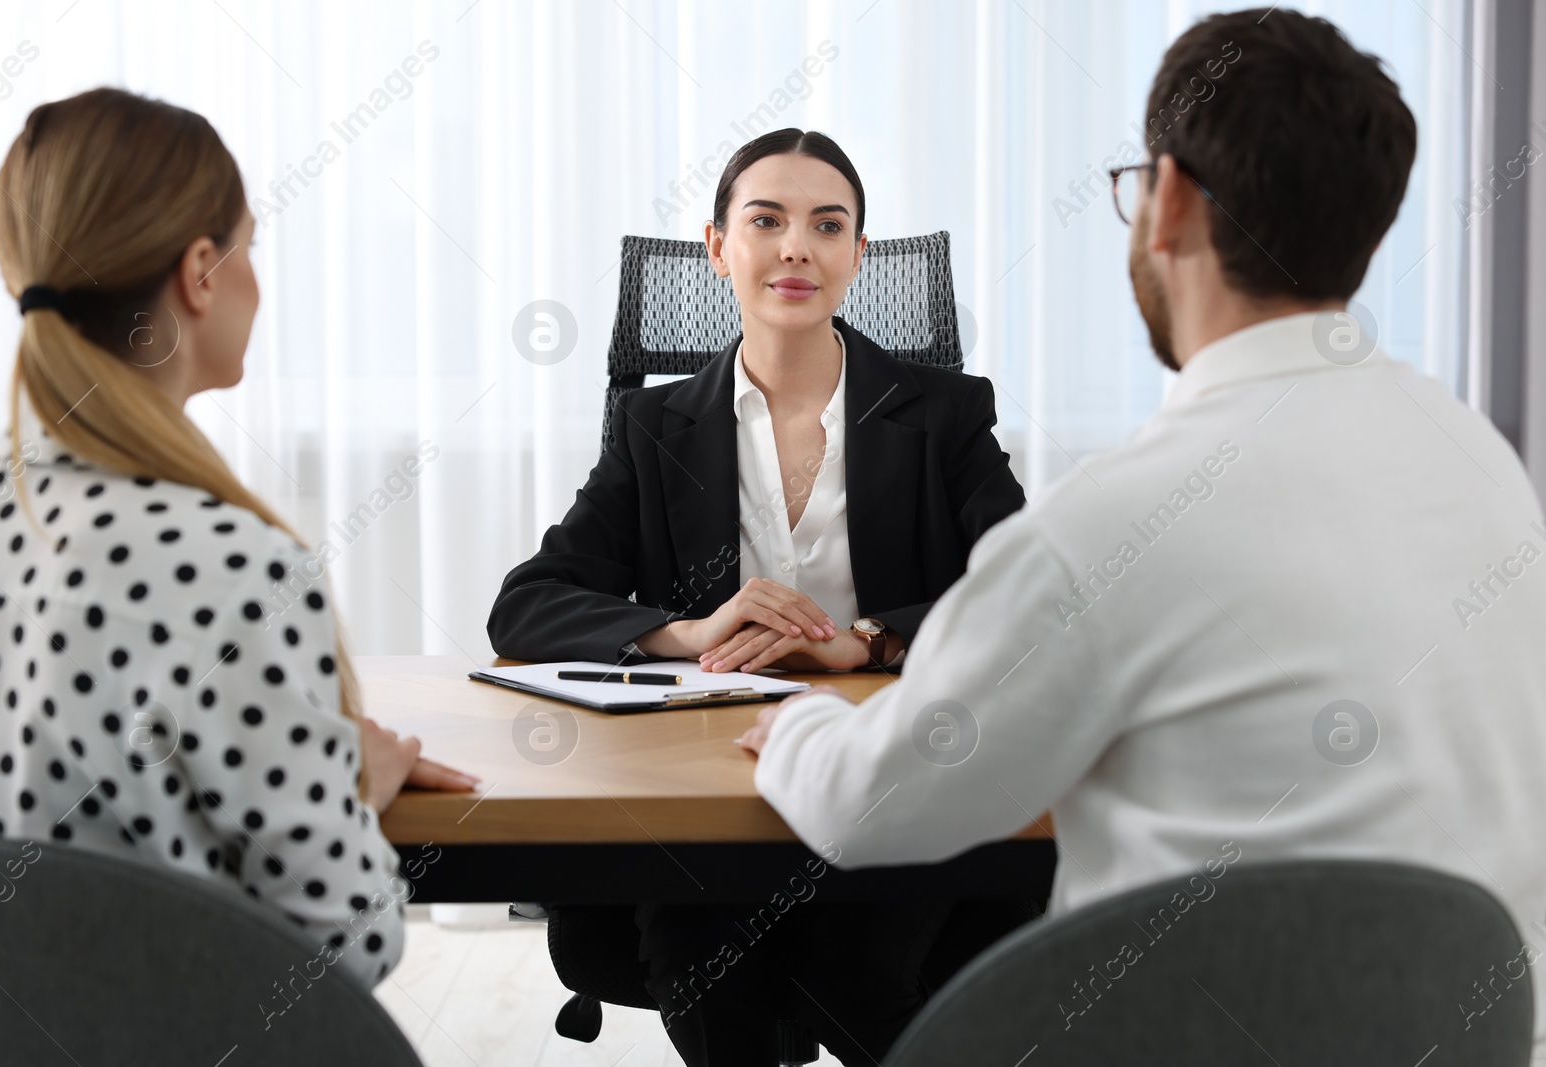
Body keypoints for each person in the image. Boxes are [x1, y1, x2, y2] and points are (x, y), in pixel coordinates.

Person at [744, 7, 1546, 1059]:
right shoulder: (1480, 460)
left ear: (1165, 199)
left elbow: (874, 804)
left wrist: (795, 725)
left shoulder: (1116, 520)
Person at [488, 130, 1029, 1064]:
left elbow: (1027, 592)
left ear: (859, 254)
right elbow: (528, 603)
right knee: (699, 955)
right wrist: (683, 629)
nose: (795, 248)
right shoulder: (655, 425)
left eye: (828, 225)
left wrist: (867, 642)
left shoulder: (944, 411)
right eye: (766, 221)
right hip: (711, 780)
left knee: (856, 972)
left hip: (895, 764)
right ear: (716, 247)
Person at [0, 87, 475, 988]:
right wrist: (350, 793)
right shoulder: (232, 562)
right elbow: (338, 946)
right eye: (249, 247)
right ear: (199, 270)